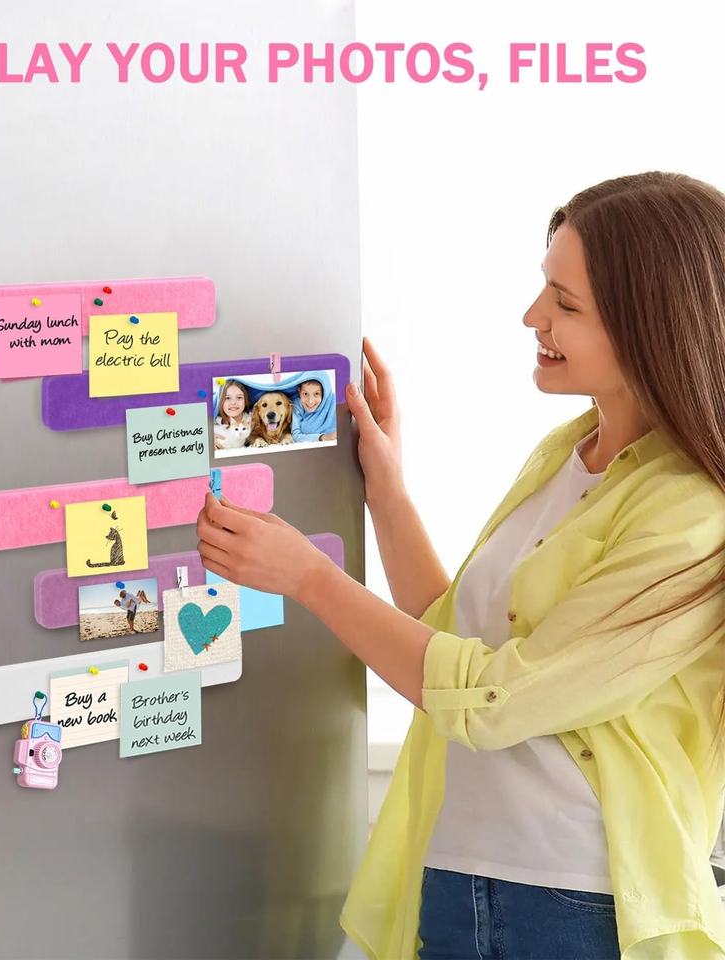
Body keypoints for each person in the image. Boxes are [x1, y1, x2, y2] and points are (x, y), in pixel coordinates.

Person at [194, 172, 725, 959]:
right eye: (544, 288)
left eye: (565, 304)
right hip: (457, 875)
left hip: (578, 900)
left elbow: (496, 698)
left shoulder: (692, 515)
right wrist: (387, 491)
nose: (533, 316)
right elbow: (447, 635)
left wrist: (309, 579)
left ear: (651, 326)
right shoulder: (565, 455)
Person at [291, 377, 338, 443]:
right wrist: (323, 437)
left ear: (324, 393)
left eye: (316, 394)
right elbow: (296, 435)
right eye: (305, 394)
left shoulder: (332, 403)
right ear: (299, 391)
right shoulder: (297, 405)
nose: (310, 401)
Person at [212, 379, 251, 451]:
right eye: (227, 398)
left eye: (239, 397)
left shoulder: (251, 419)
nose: (233, 402)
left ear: (245, 401)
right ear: (221, 401)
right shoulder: (215, 421)